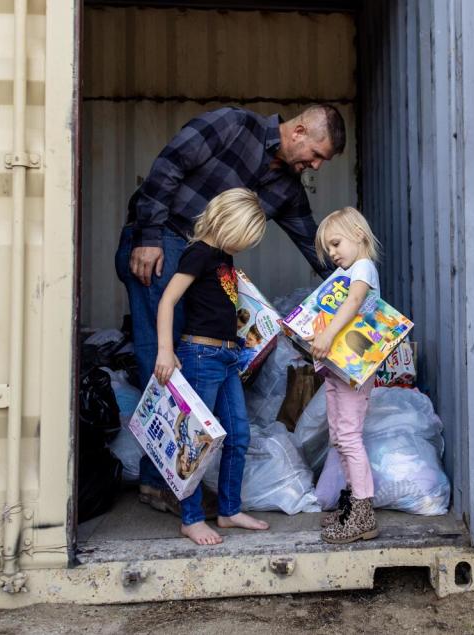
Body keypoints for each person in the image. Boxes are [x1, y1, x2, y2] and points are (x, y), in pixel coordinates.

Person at [115, 104, 345, 513]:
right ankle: (161, 482)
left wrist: (355, 283)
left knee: (189, 367)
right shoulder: (234, 126)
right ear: (299, 131)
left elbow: (312, 244)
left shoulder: (288, 189)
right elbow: (169, 164)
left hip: (205, 263)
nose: (316, 166)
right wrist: (148, 235)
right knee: (163, 361)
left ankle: (177, 480)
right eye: (316, 155)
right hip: (164, 238)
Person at [153, 188, 270, 546]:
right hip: (200, 355)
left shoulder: (223, 258)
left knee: (237, 435)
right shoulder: (199, 254)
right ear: (225, 223)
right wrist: (165, 350)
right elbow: (167, 301)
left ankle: (229, 510)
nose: (242, 246)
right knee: (196, 441)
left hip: (227, 356)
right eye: (241, 238)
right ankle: (190, 519)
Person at [309, 207, 382, 544]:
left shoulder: (363, 267)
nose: (333, 254)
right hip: (340, 367)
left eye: (336, 244)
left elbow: (353, 303)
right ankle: (353, 504)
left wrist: (326, 336)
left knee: (349, 436)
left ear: (359, 235)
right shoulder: (348, 273)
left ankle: (363, 513)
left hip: (354, 367)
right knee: (340, 435)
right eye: (328, 249)